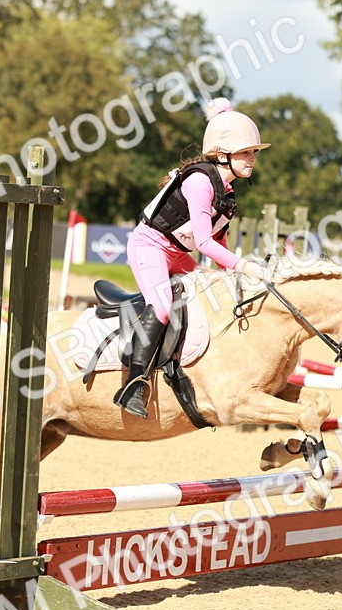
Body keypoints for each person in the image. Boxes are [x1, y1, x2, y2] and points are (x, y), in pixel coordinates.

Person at [115, 98, 270, 418]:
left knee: (209, 296)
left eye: (253, 152)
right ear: (222, 154)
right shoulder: (200, 182)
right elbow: (202, 241)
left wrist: (228, 275)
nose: (253, 158)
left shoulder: (227, 193)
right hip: (151, 246)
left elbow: (218, 243)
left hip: (179, 253)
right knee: (161, 305)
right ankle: (134, 384)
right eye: (246, 152)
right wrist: (243, 265)